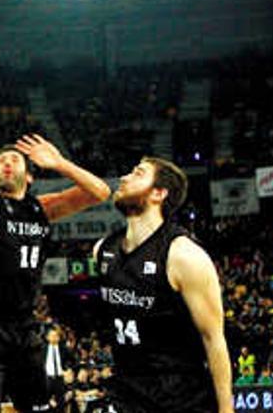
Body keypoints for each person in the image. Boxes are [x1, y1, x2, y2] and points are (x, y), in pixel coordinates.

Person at [0, 135, 110, 412]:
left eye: (14, 159)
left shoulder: (41, 208)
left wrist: (60, 163)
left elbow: (100, 192)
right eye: (0, 161)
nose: (6, 163)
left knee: (38, 407)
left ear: (30, 177)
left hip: (24, 326)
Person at [90, 157, 233, 413]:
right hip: (127, 393)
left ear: (158, 193)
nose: (124, 177)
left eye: (138, 173)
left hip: (180, 398)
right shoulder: (103, 249)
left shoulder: (184, 256)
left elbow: (214, 339)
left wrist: (226, 410)